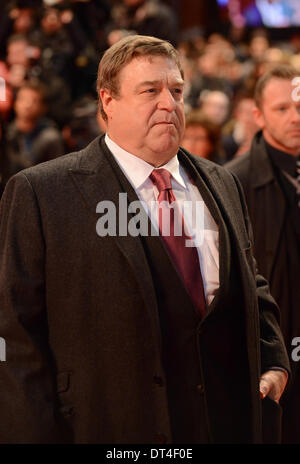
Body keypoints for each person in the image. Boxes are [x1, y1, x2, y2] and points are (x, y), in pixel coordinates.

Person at [0, 35, 289, 444]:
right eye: (150, 91)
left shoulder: (223, 182)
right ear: (108, 102)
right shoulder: (40, 193)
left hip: (227, 423)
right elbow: (16, 338)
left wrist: (275, 361)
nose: (168, 104)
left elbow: (251, 283)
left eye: (176, 91)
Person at [226, 64, 300, 443]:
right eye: (282, 109)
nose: (295, 118)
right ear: (258, 115)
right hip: (271, 352)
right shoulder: (230, 182)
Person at [5, 80, 64, 178]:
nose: (27, 105)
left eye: (34, 101)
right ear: (15, 103)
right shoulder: (7, 132)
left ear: (43, 107)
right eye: (23, 99)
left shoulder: (50, 137)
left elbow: (57, 172)